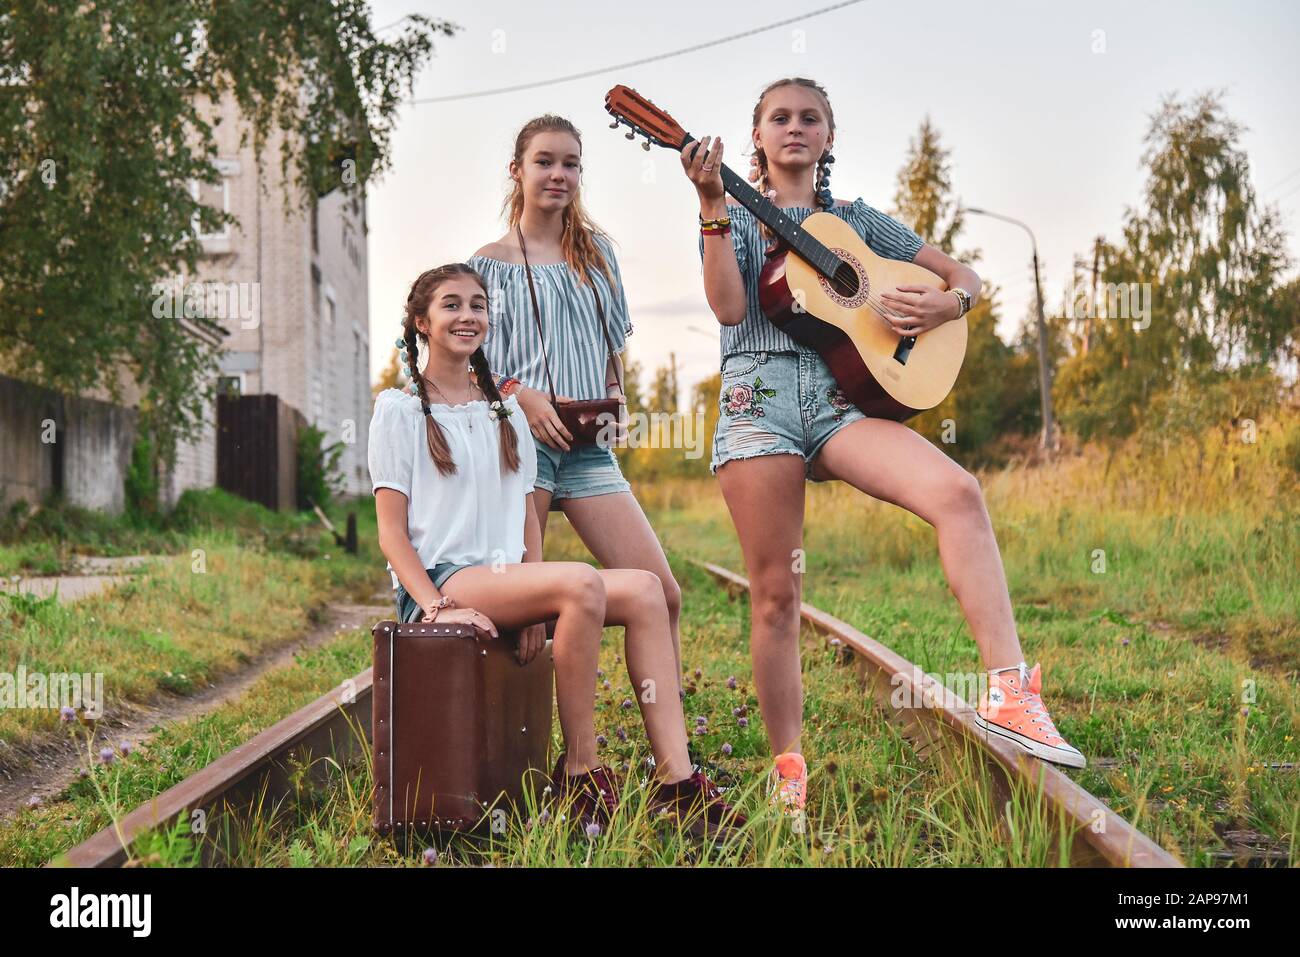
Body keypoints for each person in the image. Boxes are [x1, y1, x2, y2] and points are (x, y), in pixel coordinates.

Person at [680, 76, 1086, 820]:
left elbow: (963, 275)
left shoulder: (861, 220)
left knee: (959, 492)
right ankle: (789, 774)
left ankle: (1011, 692)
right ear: (757, 138)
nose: (795, 127)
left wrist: (947, 301)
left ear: (829, 136)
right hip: (758, 399)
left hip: (843, 400)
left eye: (811, 118)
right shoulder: (734, 214)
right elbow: (732, 307)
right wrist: (710, 207)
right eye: (780, 118)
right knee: (776, 596)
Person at [368, 262, 743, 838]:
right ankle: (580, 774)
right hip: (445, 582)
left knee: (645, 589)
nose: (468, 315)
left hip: (503, 578)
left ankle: (676, 782)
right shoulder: (398, 411)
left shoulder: (505, 410)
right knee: (583, 581)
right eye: (451, 304)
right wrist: (436, 606)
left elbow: (526, 523)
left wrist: (536, 600)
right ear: (421, 321)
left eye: (478, 305)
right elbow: (392, 534)